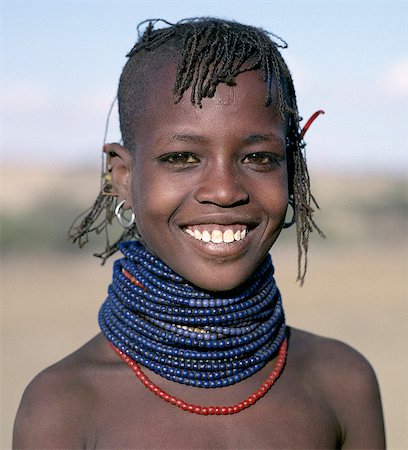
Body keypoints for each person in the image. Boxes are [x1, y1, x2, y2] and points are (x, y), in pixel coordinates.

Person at [13, 18, 385, 449]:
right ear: (121, 177)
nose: (225, 191)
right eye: (182, 157)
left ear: (292, 170)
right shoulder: (62, 408)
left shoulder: (341, 383)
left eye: (260, 158)